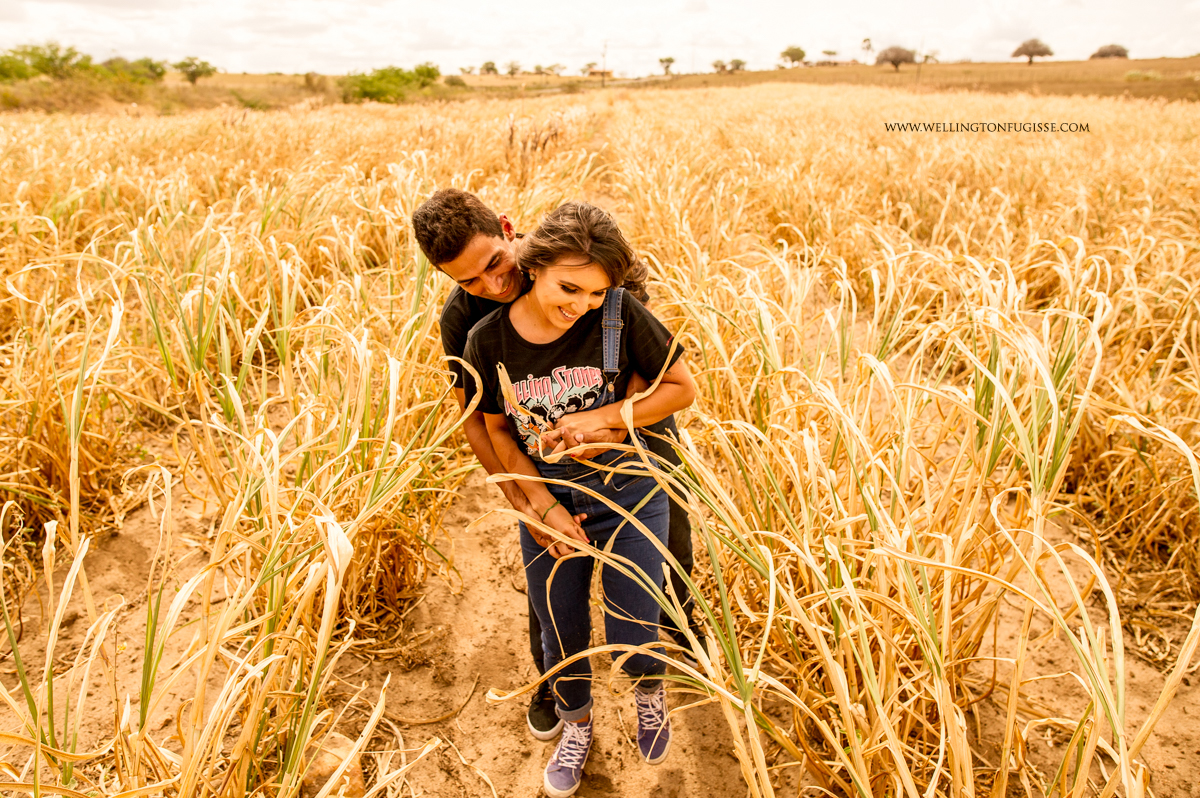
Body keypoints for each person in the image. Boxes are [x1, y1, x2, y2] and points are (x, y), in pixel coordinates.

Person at [411, 189, 702, 742]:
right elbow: (478, 421)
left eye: (496, 263)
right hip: (545, 463)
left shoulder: (574, 263)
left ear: (508, 229)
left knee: (670, 538)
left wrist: (611, 426)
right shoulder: (467, 323)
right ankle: (554, 680)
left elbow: (641, 363)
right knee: (550, 581)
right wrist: (527, 502)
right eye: (470, 281)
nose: (493, 285)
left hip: (634, 431)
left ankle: (679, 635)